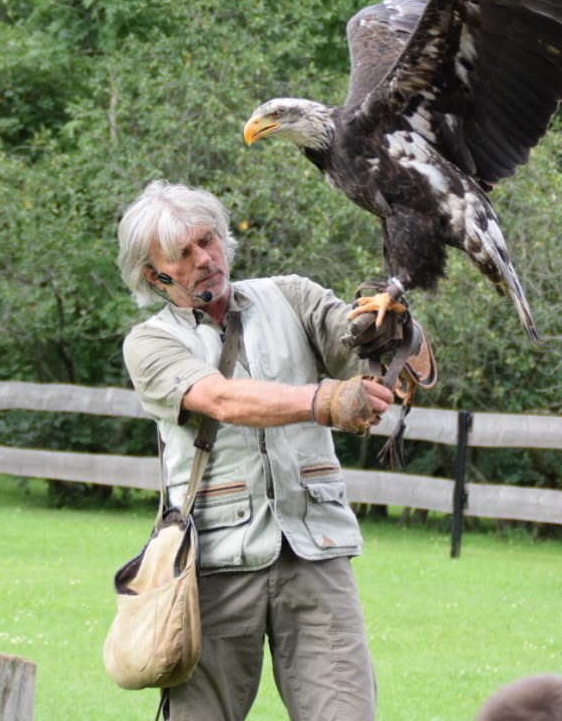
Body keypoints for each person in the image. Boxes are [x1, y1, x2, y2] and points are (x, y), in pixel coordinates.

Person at [116, 179, 422, 721]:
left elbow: (373, 362)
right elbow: (220, 398)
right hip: (212, 563)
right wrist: (324, 400)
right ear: (152, 273)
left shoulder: (291, 295)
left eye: (208, 240)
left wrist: (395, 329)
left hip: (315, 548)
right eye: (183, 254)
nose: (204, 259)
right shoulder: (150, 342)